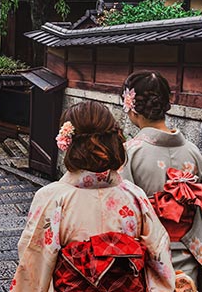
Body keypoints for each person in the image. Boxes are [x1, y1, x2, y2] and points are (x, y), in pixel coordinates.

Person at [11, 101, 175, 292]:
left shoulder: (52, 198)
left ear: (68, 142)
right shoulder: (134, 196)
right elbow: (159, 256)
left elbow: (34, 263)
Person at [119, 70, 202, 292]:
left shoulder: (129, 154)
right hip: (190, 256)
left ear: (131, 106)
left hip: (146, 257)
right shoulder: (194, 153)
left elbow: (123, 212)